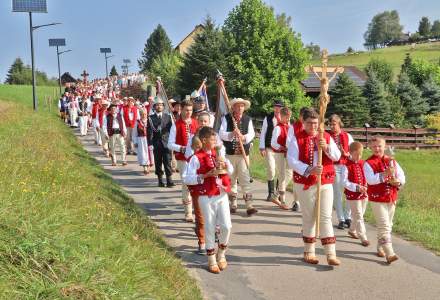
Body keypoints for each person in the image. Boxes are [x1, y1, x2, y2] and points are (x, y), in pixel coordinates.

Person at [287, 109, 341, 266]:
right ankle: (309, 251)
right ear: (303, 123)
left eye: (315, 123)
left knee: (325, 217)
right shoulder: (297, 139)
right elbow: (292, 160)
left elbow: (337, 156)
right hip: (306, 183)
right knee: (309, 217)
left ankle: (330, 253)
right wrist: (309, 169)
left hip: (325, 182)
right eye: (309, 123)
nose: (313, 126)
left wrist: (326, 148)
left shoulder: (326, 137)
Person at [183, 126, 233, 274]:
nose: (215, 141)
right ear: (204, 140)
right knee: (210, 227)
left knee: (226, 226)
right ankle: (211, 258)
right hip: (206, 196)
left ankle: (221, 253)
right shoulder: (195, 158)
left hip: (221, 193)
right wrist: (205, 175)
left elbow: (229, 171)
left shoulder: (218, 154)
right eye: (213, 139)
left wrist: (225, 164)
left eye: (215, 139)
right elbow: (186, 178)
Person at [185, 112, 225, 254]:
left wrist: (222, 168)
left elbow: (223, 162)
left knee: (216, 215)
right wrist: (203, 175)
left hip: (214, 187)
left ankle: (214, 235)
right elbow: (188, 175)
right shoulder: (194, 144)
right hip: (199, 188)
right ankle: (202, 242)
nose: (203, 123)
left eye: (205, 121)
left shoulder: (215, 142)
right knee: (201, 216)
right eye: (200, 121)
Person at [364, 136, 405, 264]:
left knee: (389, 225)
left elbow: (401, 175)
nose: (377, 148)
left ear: (384, 146)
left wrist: (397, 182)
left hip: (391, 197)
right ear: (370, 147)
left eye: (379, 146)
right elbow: (370, 180)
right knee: (384, 225)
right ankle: (390, 253)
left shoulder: (391, 161)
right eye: (374, 146)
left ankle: (380, 246)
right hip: (377, 198)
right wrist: (384, 174)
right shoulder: (368, 163)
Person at [219, 98, 257, 216]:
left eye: (242, 106)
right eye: (237, 106)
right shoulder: (226, 119)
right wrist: (231, 134)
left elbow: (252, 134)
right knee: (231, 178)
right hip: (230, 154)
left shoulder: (247, 119)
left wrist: (243, 137)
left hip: (243, 154)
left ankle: (249, 205)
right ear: (233, 107)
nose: (240, 108)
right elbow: (221, 133)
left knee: (245, 178)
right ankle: (233, 203)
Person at [168, 100, 199, 222]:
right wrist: (182, 148)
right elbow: (170, 144)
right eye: (186, 110)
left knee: (198, 183)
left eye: (190, 110)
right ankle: (188, 212)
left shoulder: (196, 123)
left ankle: (197, 209)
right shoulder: (176, 125)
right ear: (181, 110)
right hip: (183, 159)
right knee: (186, 184)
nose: (188, 113)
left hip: (197, 159)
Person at [327, 114, 354, 230]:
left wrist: (348, 154)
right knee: (337, 193)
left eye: (334, 124)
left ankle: (348, 216)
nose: (332, 126)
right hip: (335, 166)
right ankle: (341, 219)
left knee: (349, 192)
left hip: (347, 166)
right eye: (331, 124)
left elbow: (355, 151)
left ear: (339, 124)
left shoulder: (347, 136)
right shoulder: (328, 137)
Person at [342, 142, 370, 247]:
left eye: (360, 154)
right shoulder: (346, 165)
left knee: (360, 215)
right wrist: (357, 187)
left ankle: (352, 229)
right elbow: (344, 182)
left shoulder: (363, 163)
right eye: (356, 154)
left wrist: (366, 187)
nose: (359, 156)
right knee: (358, 215)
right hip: (352, 195)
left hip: (364, 193)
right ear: (350, 153)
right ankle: (363, 237)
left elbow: (367, 176)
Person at [259, 99, 284, 202]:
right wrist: (262, 147)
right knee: (271, 169)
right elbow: (263, 132)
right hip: (269, 148)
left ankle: (277, 193)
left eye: (279, 107)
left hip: (280, 150)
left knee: (280, 171)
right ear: (274, 108)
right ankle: (271, 193)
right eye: (276, 106)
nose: (277, 108)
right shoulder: (268, 118)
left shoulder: (285, 118)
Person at [147, 97, 174, 187]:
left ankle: (169, 180)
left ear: (163, 106)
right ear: (154, 107)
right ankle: (160, 180)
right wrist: (150, 143)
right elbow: (149, 131)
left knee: (167, 162)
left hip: (166, 143)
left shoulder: (168, 117)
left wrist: (172, 142)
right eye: (157, 105)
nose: (159, 106)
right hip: (156, 143)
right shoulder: (151, 118)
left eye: (161, 105)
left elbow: (171, 131)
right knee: (158, 162)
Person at [270, 107, 293, 210]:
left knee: (289, 173)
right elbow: (273, 143)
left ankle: (275, 195)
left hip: (289, 153)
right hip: (279, 153)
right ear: (281, 116)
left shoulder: (290, 127)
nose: (288, 120)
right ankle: (282, 200)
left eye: (289, 117)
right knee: (282, 175)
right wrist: (282, 148)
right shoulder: (278, 128)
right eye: (286, 117)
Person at [132, 109, 152, 175]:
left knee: (149, 154)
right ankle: (145, 168)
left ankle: (148, 166)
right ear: (140, 115)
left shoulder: (150, 121)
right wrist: (135, 142)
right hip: (141, 140)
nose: (144, 115)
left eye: (145, 114)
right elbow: (134, 133)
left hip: (149, 140)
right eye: (142, 114)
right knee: (143, 154)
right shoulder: (137, 122)